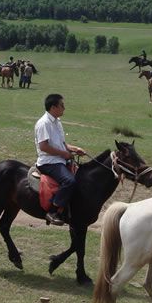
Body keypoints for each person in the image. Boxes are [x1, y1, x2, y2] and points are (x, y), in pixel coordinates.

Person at [34, 94, 87, 226]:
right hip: (48, 162)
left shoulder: (57, 122)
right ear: (53, 107)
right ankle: (52, 211)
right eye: (62, 105)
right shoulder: (43, 123)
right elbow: (44, 146)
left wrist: (74, 149)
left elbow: (61, 144)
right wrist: (64, 154)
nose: (64, 108)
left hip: (59, 160)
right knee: (69, 181)